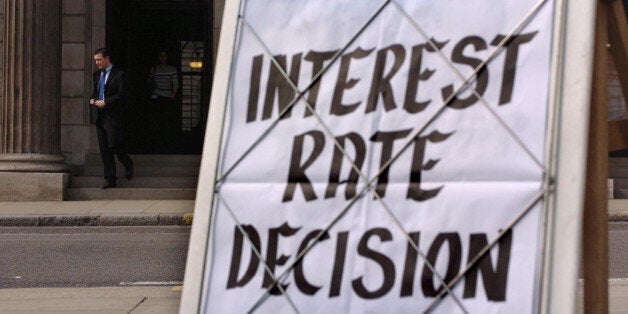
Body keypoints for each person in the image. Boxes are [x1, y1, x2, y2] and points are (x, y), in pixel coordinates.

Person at [90, 48, 134, 189]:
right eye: (95, 60)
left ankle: (128, 163)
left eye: (99, 60)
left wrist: (106, 102)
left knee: (114, 145)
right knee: (104, 149)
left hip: (113, 116)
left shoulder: (119, 75)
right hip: (100, 116)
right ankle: (110, 178)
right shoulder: (96, 75)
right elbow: (96, 92)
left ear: (107, 59)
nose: (97, 63)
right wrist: (93, 99)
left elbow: (122, 95)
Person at [147, 50, 180, 152]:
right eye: (161, 56)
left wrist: (173, 95)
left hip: (167, 97)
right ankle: (156, 142)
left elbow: (176, 83)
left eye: (164, 56)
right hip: (156, 96)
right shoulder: (154, 69)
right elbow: (148, 82)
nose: (162, 58)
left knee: (166, 120)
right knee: (157, 120)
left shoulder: (172, 69)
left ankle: (166, 142)